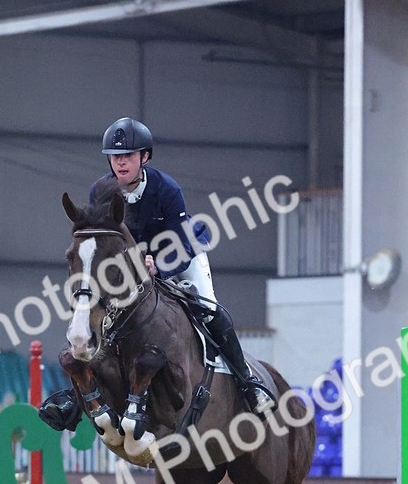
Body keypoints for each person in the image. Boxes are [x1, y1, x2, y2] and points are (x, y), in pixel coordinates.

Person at [89, 117, 273, 415]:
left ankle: (248, 383)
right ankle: (78, 394)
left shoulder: (166, 189)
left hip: (179, 254)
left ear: (144, 157)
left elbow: (183, 244)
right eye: (115, 157)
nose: (120, 163)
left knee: (211, 309)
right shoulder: (100, 191)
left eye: (128, 156)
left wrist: (158, 267)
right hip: (132, 266)